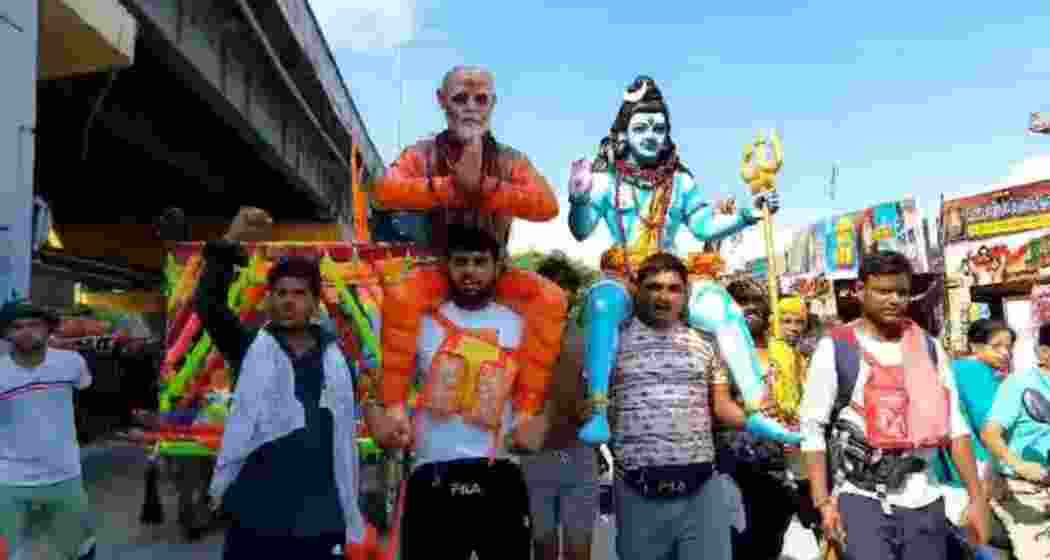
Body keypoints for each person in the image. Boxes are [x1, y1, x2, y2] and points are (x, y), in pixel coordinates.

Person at [566, 75, 794, 448]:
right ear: (622, 133)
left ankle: (758, 407)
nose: (651, 135)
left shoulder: (681, 182)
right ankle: (598, 410)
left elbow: (704, 224)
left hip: (671, 272)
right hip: (623, 275)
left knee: (721, 307)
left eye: (659, 127)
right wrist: (578, 200)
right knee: (603, 304)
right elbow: (581, 230)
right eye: (641, 127)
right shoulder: (606, 181)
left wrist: (745, 216)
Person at [373, 65, 566, 436]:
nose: (471, 107)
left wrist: (486, 188)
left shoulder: (511, 160)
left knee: (552, 301)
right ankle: (394, 406)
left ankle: (525, 411)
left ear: (493, 103)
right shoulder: (422, 153)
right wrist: (452, 188)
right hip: (440, 269)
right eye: (461, 98)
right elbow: (386, 190)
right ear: (442, 102)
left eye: (481, 99)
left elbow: (547, 205)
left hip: (497, 272)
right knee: (399, 298)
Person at [366, 225, 553, 560]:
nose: (470, 271)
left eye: (480, 262)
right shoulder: (416, 320)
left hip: (501, 473)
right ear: (446, 266)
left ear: (498, 267)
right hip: (432, 470)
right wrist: (380, 418)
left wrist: (541, 422)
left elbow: (542, 390)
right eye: (461, 262)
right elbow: (377, 387)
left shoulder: (521, 322)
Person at [800, 251, 989, 560]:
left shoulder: (928, 347)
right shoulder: (836, 348)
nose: (894, 300)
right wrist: (823, 504)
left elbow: (956, 427)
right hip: (861, 498)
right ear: (860, 291)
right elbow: (812, 429)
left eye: (901, 292)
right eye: (883, 291)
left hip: (925, 497)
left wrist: (977, 497)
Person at [199, 207, 365, 559]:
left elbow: (351, 424)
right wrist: (230, 241)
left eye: (300, 293)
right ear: (269, 300)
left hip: (320, 518)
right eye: (281, 293)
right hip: (256, 517)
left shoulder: (338, 362)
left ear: (314, 303)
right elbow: (209, 305)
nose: (289, 300)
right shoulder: (250, 349)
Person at [609, 252, 731, 560]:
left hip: (701, 489)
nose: (663, 296)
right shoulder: (612, 339)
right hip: (637, 488)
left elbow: (724, 408)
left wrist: (766, 417)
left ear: (686, 293)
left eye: (673, 288)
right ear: (637, 289)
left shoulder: (707, 341)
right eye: (654, 287)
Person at [714, 282, 819, 560]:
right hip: (735, 462)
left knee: (770, 537)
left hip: (779, 462)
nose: (748, 307)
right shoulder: (717, 352)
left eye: (755, 300)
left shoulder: (786, 353)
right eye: (738, 301)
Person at [0, 299, 96, 560]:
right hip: (9, 478)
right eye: (17, 326)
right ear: (6, 333)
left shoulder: (71, 363)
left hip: (64, 473)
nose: (27, 331)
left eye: (34, 324)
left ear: (47, 329)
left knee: (79, 549)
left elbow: (86, 391)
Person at [518, 256, 599, 560]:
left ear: (574, 296)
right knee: (544, 548)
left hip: (579, 456)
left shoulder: (589, 341)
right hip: (535, 458)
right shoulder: (518, 338)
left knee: (579, 550)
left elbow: (596, 402)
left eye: (564, 292)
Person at [932, 319, 1013, 551]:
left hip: (955, 466)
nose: (1005, 353)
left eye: (1008, 347)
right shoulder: (974, 370)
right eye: (996, 346)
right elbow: (989, 422)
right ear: (975, 346)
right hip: (976, 465)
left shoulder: (960, 368)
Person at [981, 322, 1050, 558]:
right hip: (1024, 492)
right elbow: (990, 432)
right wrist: (1019, 464)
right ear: (1043, 353)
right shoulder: (1019, 384)